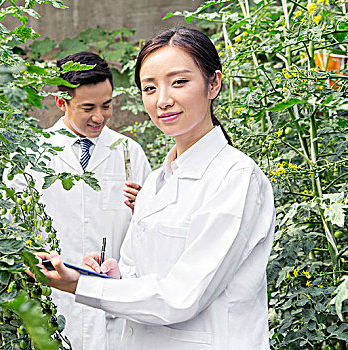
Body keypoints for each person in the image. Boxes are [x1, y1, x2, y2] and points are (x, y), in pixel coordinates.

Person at [32, 27, 276, 350]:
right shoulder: (156, 184)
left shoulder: (236, 178)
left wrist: (81, 285)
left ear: (213, 84)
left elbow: (181, 296)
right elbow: (140, 272)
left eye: (179, 82)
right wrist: (111, 276)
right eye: (150, 88)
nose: (163, 100)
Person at [4, 51, 151, 350]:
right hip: (51, 304)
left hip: (113, 306)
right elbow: (9, 232)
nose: (99, 116)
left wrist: (144, 210)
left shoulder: (130, 152)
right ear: (62, 102)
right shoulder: (30, 155)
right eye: (88, 107)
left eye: (106, 105)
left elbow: (150, 233)